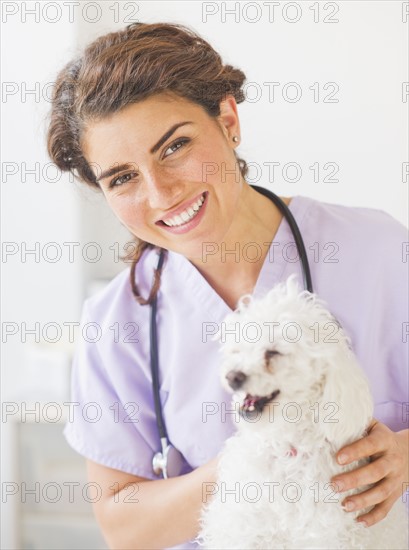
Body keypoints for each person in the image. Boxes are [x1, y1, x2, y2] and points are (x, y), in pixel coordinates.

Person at [46, 21, 409, 550]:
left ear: (229, 118)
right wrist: (252, 462)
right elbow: (123, 525)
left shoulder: (378, 252)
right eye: (122, 178)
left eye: (174, 146)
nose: (161, 193)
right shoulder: (114, 323)